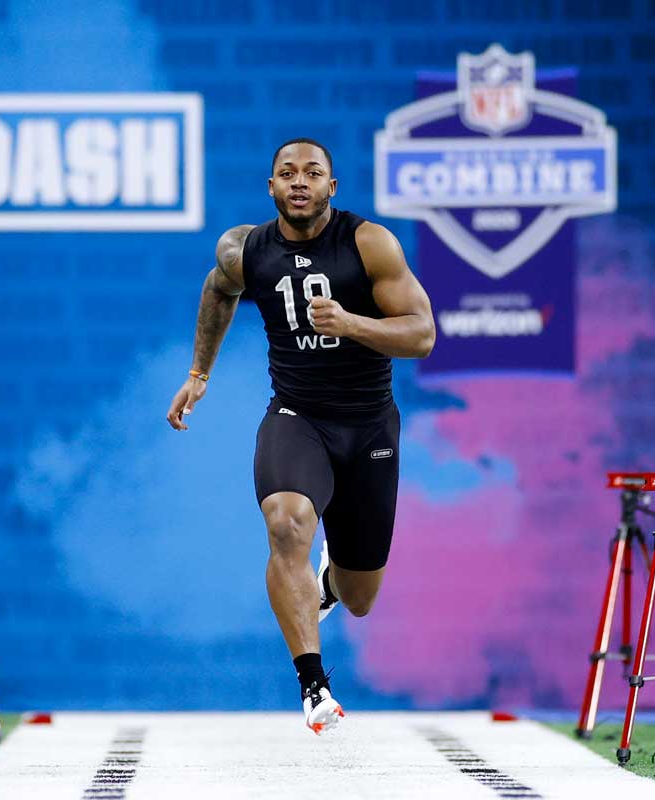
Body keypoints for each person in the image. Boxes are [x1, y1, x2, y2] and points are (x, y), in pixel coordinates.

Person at [165, 138, 434, 735]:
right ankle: (314, 685)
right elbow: (218, 290)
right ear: (271, 187)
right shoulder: (245, 249)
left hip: (368, 427)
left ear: (330, 188)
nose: (299, 182)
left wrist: (351, 323)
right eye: (287, 173)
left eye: (312, 173)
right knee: (286, 522)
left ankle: (330, 580)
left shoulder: (368, 243)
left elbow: (421, 334)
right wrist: (198, 374)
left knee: (360, 597)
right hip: (297, 417)